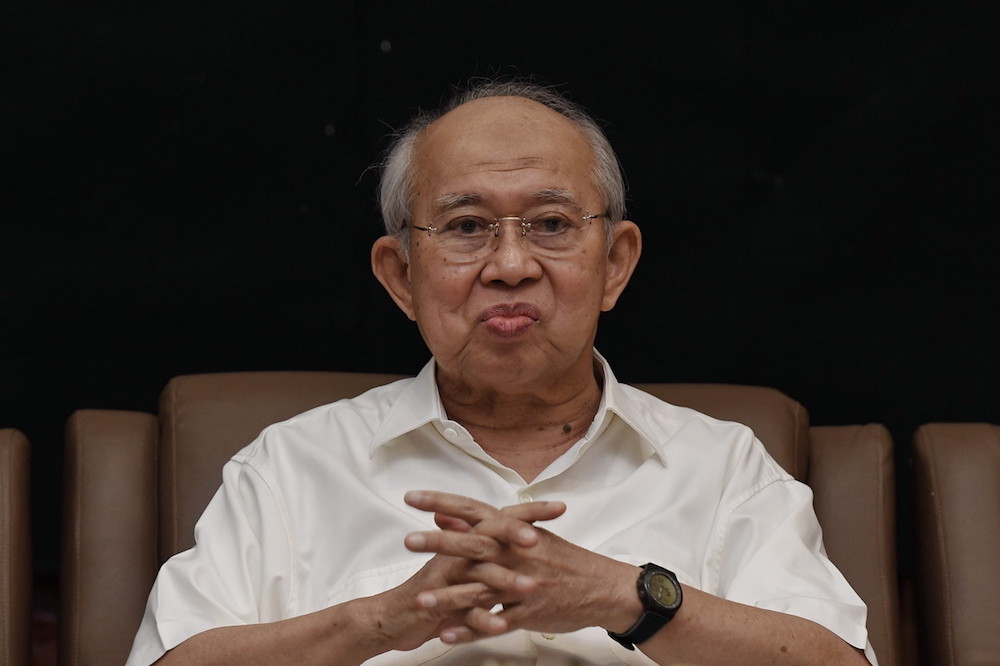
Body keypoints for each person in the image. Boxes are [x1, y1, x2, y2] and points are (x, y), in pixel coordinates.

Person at [126, 79, 876, 665]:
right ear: (400, 276)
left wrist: (623, 596)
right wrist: (387, 619)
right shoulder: (293, 466)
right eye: (465, 227)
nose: (511, 265)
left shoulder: (722, 467)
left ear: (615, 264)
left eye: (551, 224)